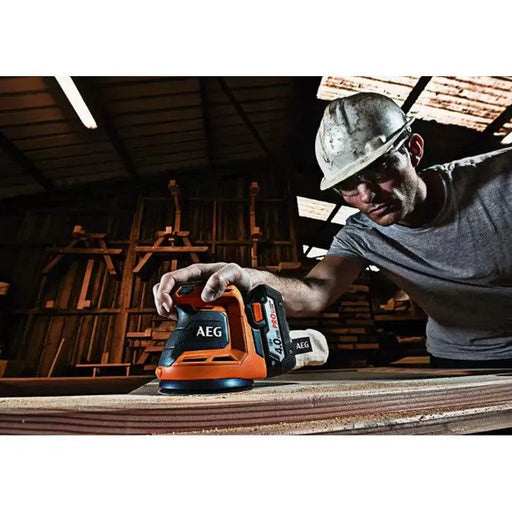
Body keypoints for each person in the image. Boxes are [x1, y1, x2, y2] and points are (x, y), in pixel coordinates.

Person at [154, 92, 512, 369]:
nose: (367, 196)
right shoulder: (362, 235)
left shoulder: (501, 182)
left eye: (380, 170)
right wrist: (245, 278)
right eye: (349, 186)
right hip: (455, 360)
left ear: (414, 150)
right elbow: (315, 292)